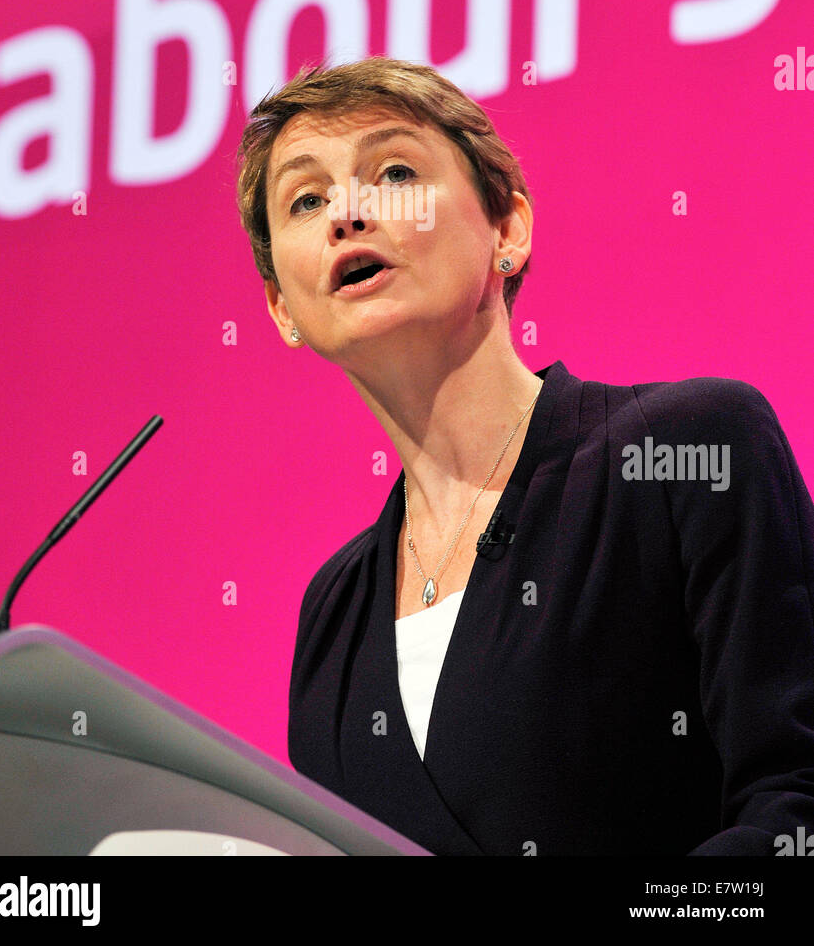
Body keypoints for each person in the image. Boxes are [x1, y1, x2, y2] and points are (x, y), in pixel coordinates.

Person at [235, 54, 814, 856]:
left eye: (393, 170)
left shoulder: (690, 450)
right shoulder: (331, 614)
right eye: (305, 198)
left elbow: (796, 806)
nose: (347, 214)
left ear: (507, 227)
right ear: (281, 309)